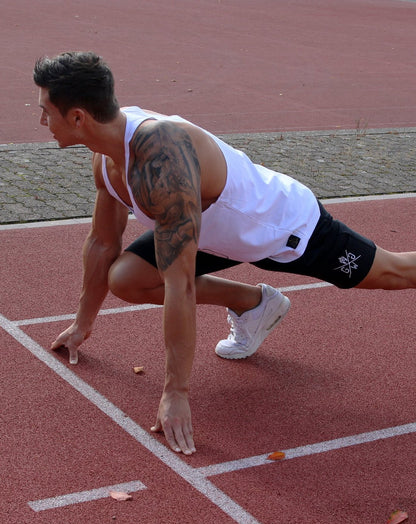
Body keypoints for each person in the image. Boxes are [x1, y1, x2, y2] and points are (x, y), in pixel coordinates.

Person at [33, 51, 416, 456]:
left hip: (284, 228)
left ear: (78, 117)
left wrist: (176, 392)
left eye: (45, 112)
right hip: (215, 235)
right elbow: (102, 243)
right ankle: (254, 304)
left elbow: (179, 285)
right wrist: (82, 323)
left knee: (396, 272)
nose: (42, 122)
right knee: (126, 278)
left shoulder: (161, 157)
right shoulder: (106, 152)